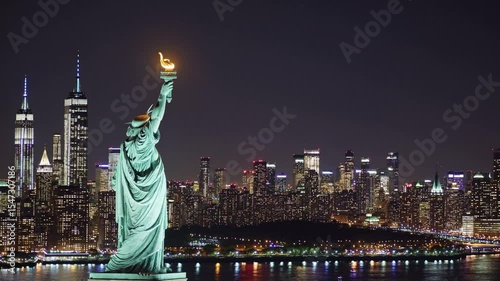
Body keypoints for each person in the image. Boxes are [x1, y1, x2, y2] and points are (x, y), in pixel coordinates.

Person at [105, 79, 174, 273]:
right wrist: (162, 94)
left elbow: (116, 179)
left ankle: (150, 264)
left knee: (142, 228)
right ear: (142, 131)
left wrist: (163, 98)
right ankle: (120, 262)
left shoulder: (126, 147)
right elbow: (157, 118)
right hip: (148, 195)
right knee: (147, 228)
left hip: (139, 197)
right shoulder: (142, 143)